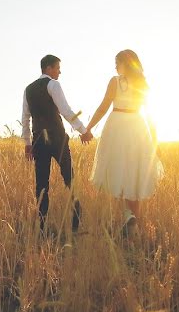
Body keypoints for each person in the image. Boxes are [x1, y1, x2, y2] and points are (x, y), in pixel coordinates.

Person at [85, 49, 163, 235]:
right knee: (135, 173)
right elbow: (151, 117)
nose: (115, 66)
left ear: (124, 63)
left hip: (117, 126)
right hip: (138, 126)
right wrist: (155, 142)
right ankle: (132, 221)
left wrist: (88, 128)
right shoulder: (142, 83)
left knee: (117, 171)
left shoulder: (115, 81)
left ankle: (128, 215)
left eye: (117, 62)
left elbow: (104, 107)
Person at [21, 54, 94, 234]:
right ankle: (76, 223)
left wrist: (28, 143)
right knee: (70, 178)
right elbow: (66, 110)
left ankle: (43, 226)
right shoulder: (53, 85)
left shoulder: (28, 89)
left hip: (38, 140)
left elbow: (25, 118)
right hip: (57, 139)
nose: (59, 71)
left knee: (42, 184)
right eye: (57, 68)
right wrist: (83, 131)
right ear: (48, 68)